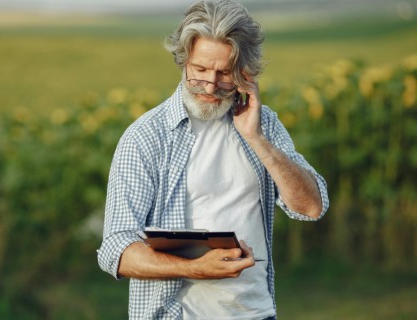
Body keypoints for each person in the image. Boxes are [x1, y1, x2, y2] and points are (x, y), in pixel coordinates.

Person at [97, 0, 329, 319]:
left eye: (224, 73)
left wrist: (256, 138)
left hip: (256, 313)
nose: (209, 84)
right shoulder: (145, 138)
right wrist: (195, 268)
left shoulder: (265, 125)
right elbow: (116, 251)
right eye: (200, 70)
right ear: (183, 61)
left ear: (245, 72)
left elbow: (311, 207)